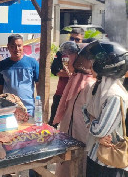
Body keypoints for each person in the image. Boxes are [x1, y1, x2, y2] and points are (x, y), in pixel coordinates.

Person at [82, 41, 128, 177]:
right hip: (94, 155)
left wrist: (92, 122)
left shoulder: (114, 95)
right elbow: (84, 109)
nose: (91, 65)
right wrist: (95, 128)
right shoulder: (97, 88)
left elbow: (100, 130)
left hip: (110, 162)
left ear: (105, 66)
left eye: (95, 61)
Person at [54, 41, 96, 177]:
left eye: (71, 57)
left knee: (79, 168)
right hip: (68, 136)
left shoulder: (90, 84)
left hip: (82, 139)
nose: (67, 60)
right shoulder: (74, 79)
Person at [0, 34, 39, 116]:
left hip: (29, 110)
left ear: (23, 46)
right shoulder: (3, 64)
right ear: (8, 47)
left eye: (19, 46)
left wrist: (40, 106)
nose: (16, 49)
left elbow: (39, 86)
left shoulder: (32, 63)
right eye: (13, 46)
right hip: (9, 110)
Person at [48, 27, 84, 128]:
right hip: (61, 92)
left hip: (77, 95)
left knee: (74, 125)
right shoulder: (62, 51)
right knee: (53, 123)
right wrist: (72, 74)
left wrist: (72, 73)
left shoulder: (84, 54)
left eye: (77, 39)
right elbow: (55, 70)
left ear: (82, 39)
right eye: (72, 38)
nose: (74, 42)